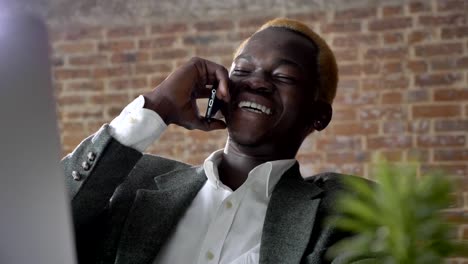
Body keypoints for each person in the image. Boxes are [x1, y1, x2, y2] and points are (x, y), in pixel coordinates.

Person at [63, 18, 366, 264]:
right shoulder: (132, 179)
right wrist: (157, 105)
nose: (256, 82)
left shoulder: (337, 212)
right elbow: (38, 221)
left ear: (319, 116)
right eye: (243, 70)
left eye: (284, 76)